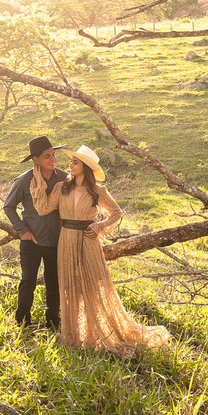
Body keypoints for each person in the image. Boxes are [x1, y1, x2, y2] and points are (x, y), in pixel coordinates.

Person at [29, 145, 170, 358]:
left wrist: (99, 226)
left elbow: (116, 212)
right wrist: (39, 183)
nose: (70, 165)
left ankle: (97, 332)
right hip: (66, 240)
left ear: (85, 168)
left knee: (92, 285)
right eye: (72, 162)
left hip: (88, 242)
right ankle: (73, 335)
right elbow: (43, 209)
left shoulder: (99, 191)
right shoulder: (61, 187)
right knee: (69, 286)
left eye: (75, 162)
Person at [3, 135, 69, 329]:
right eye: (47, 156)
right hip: (31, 240)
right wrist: (22, 230)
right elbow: (8, 206)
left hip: (56, 240)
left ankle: (53, 322)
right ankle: (22, 321)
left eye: (54, 155)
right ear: (36, 159)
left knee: (54, 283)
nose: (53, 159)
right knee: (28, 281)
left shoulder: (65, 178)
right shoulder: (24, 181)